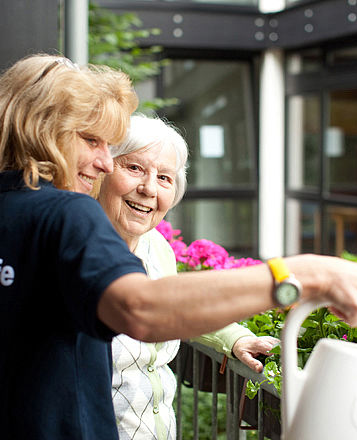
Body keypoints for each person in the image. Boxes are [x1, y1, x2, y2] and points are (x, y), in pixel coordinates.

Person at [0, 54, 357, 440]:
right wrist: (304, 275)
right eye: (92, 141)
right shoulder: (63, 213)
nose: (102, 162)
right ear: (40, 130)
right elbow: (142, 309)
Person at [95, 114, 277, 439]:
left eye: (164, 177)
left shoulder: (156, 247)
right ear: (102, 170)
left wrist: (234, 339)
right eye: (134, 168)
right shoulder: (76, 248)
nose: (149, 188)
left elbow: (175, 306)